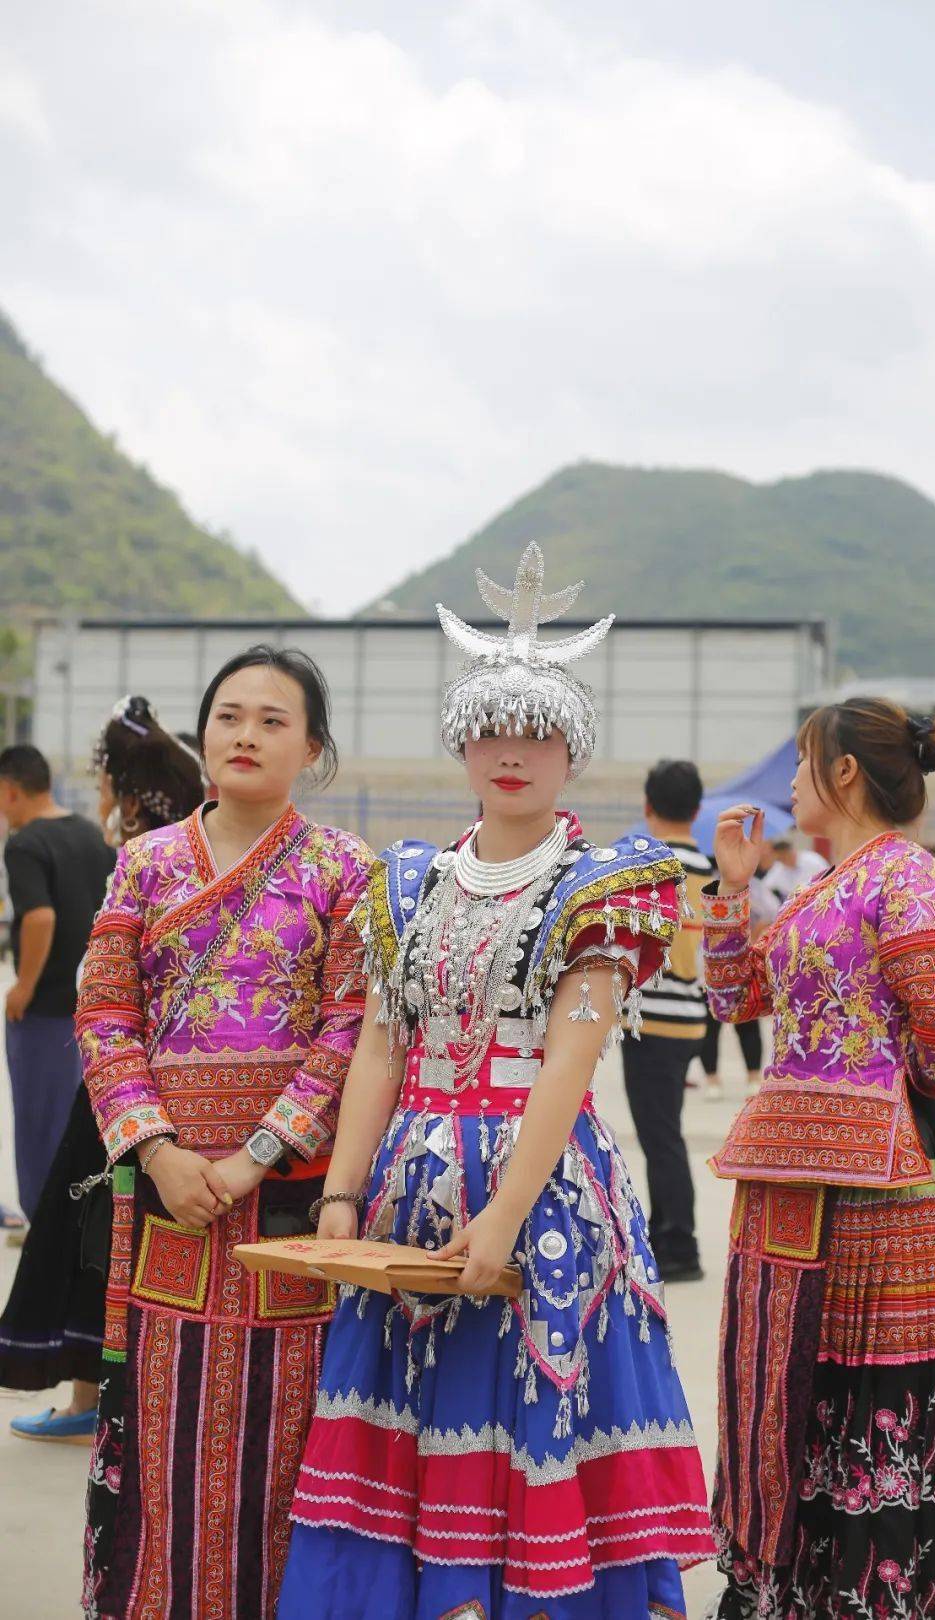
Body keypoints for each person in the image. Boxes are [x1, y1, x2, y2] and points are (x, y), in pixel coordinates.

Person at [278, 545, 713, 1619]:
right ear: (463, 741)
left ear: (572, 751)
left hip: (545, 1196)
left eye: (538, 734)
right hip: (405, 1201)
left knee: (521, 1424)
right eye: (493, 731)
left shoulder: (600, 890)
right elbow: (381, 1046)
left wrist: (507, 1217)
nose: (512, 752)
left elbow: (569, 1068)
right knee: (403, 1433)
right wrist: (341, 1196)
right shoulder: (410, 881)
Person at [76, 648, 373, 1620]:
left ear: (313, 747)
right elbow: (106, 1015)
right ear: (203, 734)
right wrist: (158, 1150)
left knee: (287, 1440)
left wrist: (253, 1159)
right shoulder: (144, 864)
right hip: (167, 1198)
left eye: (273, 720)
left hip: (287, 1198)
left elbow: (352, 1029)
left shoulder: (345, 870)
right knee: (168, 1439)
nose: (246, 735)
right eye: (229, 715)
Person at [703, 698, 935, 1619]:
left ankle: (873, 1592)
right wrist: (732, 887)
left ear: (842, 774)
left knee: (862, 1392)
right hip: (786, 1172)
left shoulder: (907, 877)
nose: (788, 780)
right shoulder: (826, 885)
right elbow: (731, 999)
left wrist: (904, 1113)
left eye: (801, 759)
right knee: (782, 1385)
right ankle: (785, 1583)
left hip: (872, 1188)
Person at [1, 697, 204, 1441]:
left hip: (126, 1090)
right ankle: (114, 1394)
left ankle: (93, 1395)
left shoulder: (151, 865)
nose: (99, 799)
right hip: (159, 1086)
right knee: (113, 1239)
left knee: (94, 1236)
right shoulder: (131, 849)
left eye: (105, 783)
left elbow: (102, 971)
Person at [0, 745, 116, 1226]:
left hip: (45, 1009)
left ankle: (45, 1223)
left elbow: (40, 916)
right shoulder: (90, 834)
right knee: (75, 1123)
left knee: (38, 1123)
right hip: (88, 1007)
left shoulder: (26, 843)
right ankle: (76, 1218)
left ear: (11, 791)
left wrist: (24, 985)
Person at [621, 758, 710, 1282]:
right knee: (665, 1131)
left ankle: (678, 1243)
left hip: (652, 1019)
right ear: (697, 810)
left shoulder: (647, 865)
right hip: (692, 1019)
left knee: (661, 1137)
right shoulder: (710, 866)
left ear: (648, 805)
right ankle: (666, 1229)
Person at [700, 834, 778, 1098]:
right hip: (707, 967)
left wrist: (757, 935)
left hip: (745, 962)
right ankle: (712, 1079)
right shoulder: (704, 881)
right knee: (710, 1024)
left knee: (748, 1023)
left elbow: (772, 915)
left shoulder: (753, 884)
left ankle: (753, 1076)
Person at [763, 836, 828, 902]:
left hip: (818, 898)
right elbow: (766, 887)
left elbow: (828, 878)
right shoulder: (778, 868)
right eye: (781, 859)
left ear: (791, 850)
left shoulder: (813, 860)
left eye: (786, 856)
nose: (785, 860)